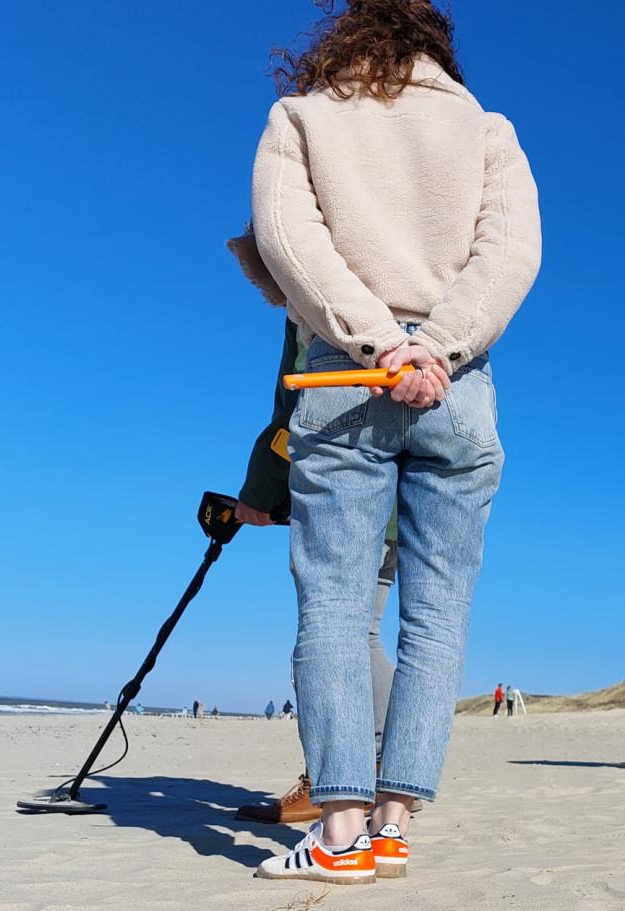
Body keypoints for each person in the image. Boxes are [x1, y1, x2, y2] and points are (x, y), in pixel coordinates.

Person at [250, 0, 541, 885]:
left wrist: (383, 343)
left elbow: (289, 243)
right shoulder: (487, 130)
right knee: (438, 616)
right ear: (435, 45)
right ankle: (392, 826)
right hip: (460, 384)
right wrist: (437, 346)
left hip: (347, 377)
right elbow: (512, 254)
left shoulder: (302, 117)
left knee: (337, 605)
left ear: (345, 37)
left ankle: (339, 832)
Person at [227, 228, 405, 826]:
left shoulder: (317, 312)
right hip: (397, 500)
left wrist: (257, 496)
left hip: (351, 497)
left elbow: (292, 414)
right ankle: (381, 775)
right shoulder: (388, 289)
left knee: (333, 638)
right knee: (362, 635)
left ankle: (341, 778)